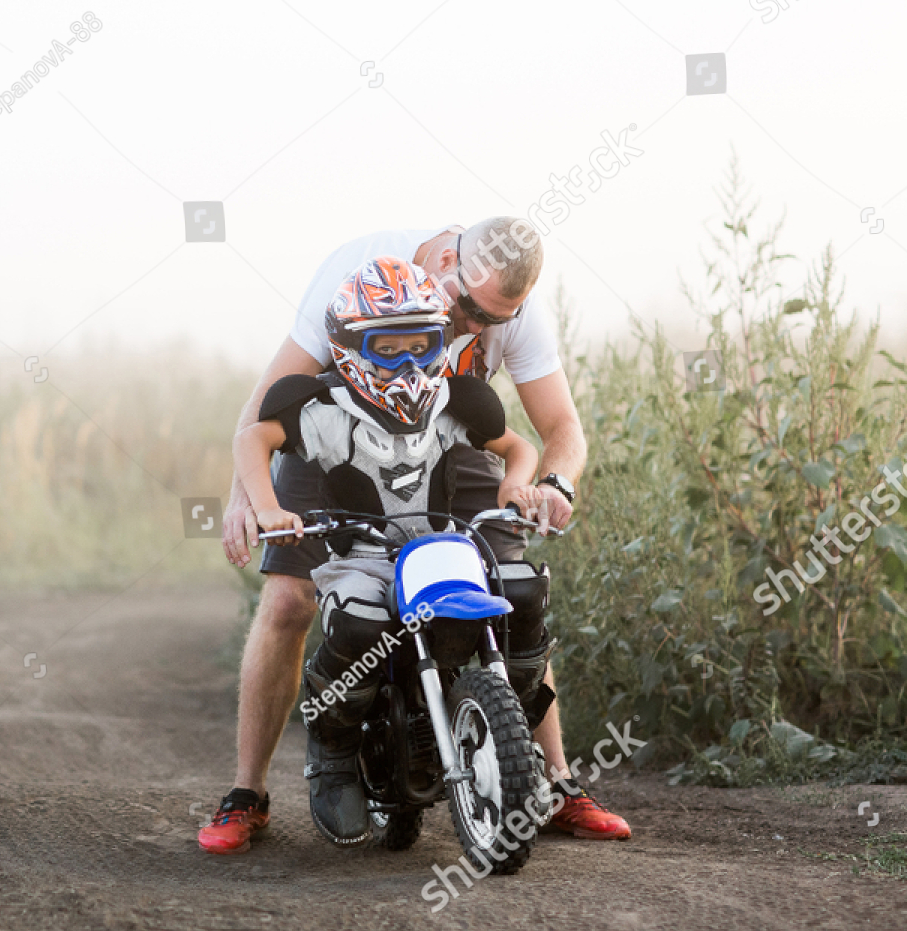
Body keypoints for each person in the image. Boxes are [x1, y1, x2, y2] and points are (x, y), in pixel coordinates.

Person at [199, 218, 631, 853]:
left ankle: (553, 782)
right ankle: (248, 793)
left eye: (493, 319)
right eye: (466, 309)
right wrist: (249, 499)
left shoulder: (510, 313)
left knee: (506, 586)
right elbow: (267, 403)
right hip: (338, 431)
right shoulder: (356, 270)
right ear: (446, 262)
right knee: (291, 600)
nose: (475, 329)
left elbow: (560, 427)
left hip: (446, 423)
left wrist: (552, 488)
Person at [233, 256, 546, 844]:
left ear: (441, 342)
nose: (408, 363)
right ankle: (334, 750)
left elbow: (519, 446)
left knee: (522, 586)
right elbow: (253, 437)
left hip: (439, 547)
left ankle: (515, 715)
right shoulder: (322, 409)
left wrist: (515, 484)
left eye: (422, 345)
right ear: (351, 349)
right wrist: (266, 506)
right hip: (364, 557)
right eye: (389, 348)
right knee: (358, 621)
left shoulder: (456, 402)